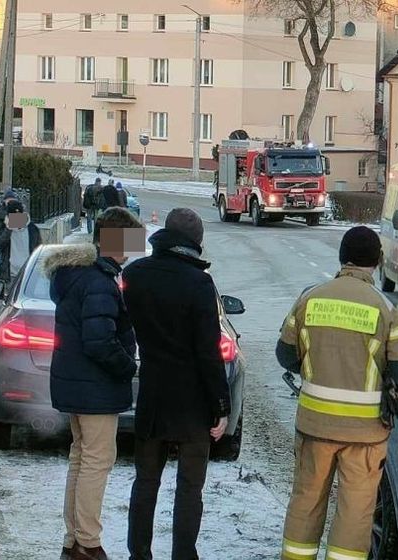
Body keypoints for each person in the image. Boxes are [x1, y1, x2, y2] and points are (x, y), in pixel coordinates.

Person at [276, 226, 398, 560]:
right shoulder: (386, 308)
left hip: (314, 425)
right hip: (365, 434)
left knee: (306, 499)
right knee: (355, 510)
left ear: (342, 258)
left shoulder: (310, 297)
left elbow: (285, 355)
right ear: (377, 261)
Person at [122, 209, 231, 560]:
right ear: (196, 242)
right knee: (189, 488)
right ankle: (184, 554)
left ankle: (139, 552)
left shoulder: (135, 275)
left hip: (153, 394)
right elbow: (208, 352)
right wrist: (221, 406)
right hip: (192, 402)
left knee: (145, 482)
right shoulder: (200, 283)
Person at [48, 207, 143, 560]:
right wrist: (126, 367)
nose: (133, 249)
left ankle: (74, 538)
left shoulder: (78, 275)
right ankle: (88, 541)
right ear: (114, 241)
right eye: (130, 241)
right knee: (96, 461)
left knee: (80, 458)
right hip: (95, 387)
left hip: (76, 384)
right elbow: (99, 340)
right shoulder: (99, 281)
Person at [0, 199, 43, 287]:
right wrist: (8, 229)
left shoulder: (32, 229)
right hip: (10, 276)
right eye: (14, 217)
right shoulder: (4, 229)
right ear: (9, 217)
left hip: (28, 275)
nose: (17, 220)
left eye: (19, 216)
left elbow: (39, 251)